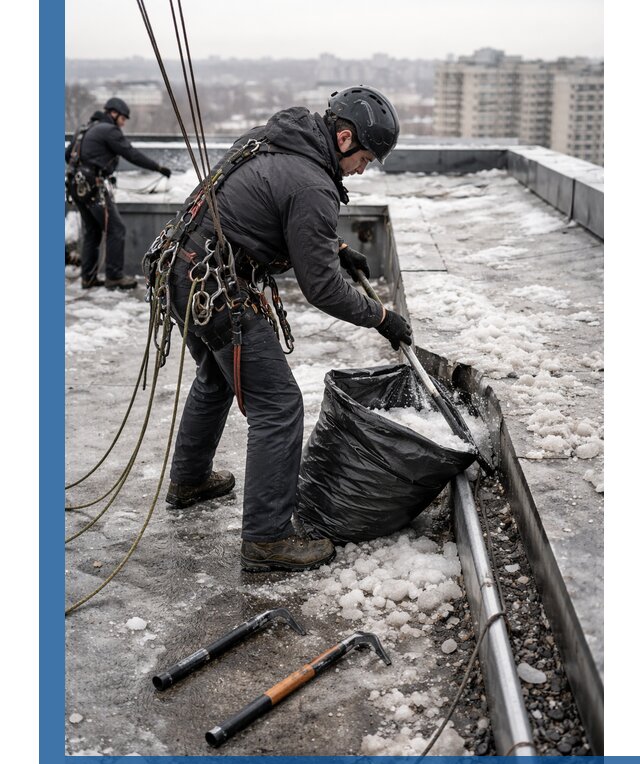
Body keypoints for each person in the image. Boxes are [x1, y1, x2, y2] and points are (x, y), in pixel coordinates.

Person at [163, 85, 412, 572]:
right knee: (278, 405)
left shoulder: (280, 138)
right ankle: (267, 539)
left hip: (183, 270)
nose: (364, 168)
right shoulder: (313, 184)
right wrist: (381, 317)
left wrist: (337, 249)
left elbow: (271, 208)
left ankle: (189, 481)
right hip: (215, 286)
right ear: (343, 138)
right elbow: (321, 289)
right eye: (365, 157)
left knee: (216, 379)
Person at [65, 97, 172, 290]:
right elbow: (131, 154)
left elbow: (67, 155)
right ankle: (114, 277)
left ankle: (87, 278)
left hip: (76, 185)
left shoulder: (84, 129)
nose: (123, 123)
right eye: (123, 118)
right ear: (113, 113)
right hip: (92, 185)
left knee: (93, 231)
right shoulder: (109, 130)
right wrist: (158, 167)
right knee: (116, 229)